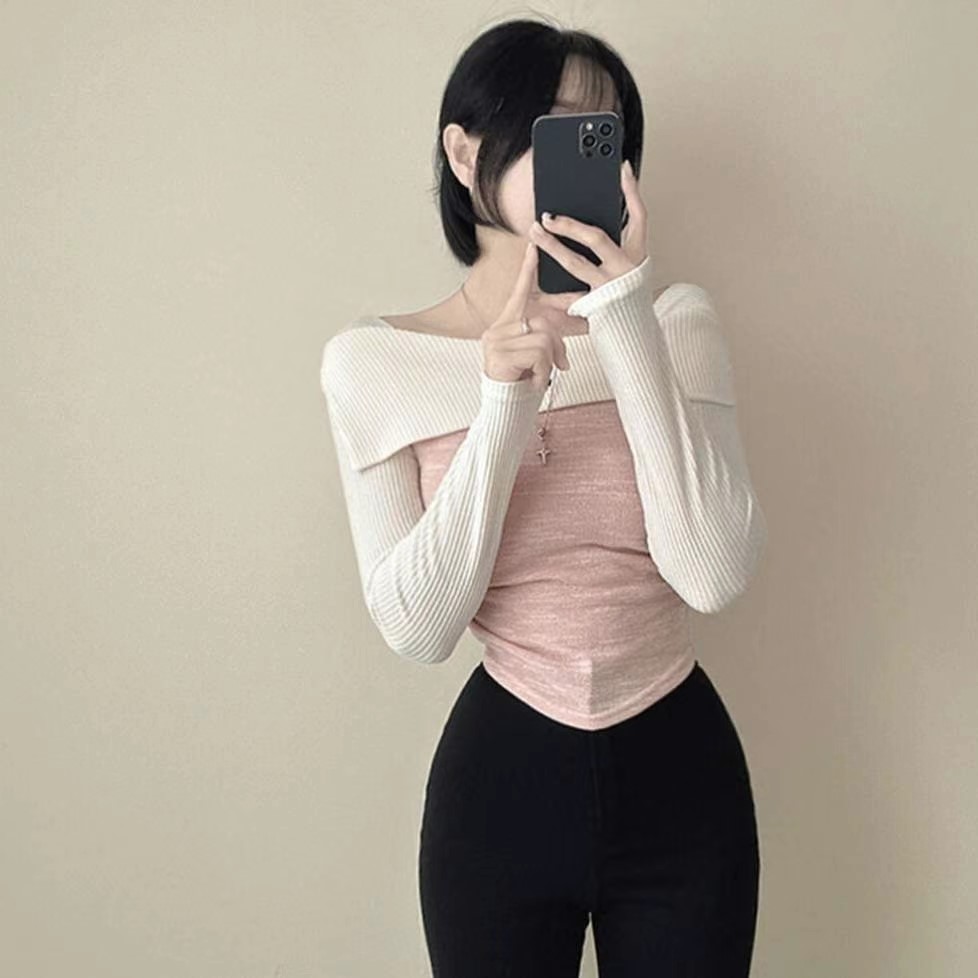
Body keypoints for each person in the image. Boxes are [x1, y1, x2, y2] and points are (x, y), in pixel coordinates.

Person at [320, 15, 768, 978]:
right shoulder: (376, 363)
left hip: (682, 776)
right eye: (554, 127)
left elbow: (714, 573)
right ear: (464, 151)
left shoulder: (676, 323)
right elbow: (417, 628)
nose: (586, 156)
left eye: (604, 135)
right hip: (501, 788)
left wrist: (626, 319)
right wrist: (501, 404)